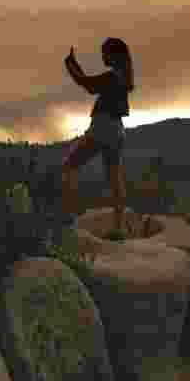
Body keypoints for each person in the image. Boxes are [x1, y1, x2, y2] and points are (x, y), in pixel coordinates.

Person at [60, 37, 135, 234]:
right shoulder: (123, 77)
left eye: (105, 52)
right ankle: (119, 229)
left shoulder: (112, 77)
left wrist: (71, 65)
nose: (102, 56)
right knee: (115, 180)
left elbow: (86, 85)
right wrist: (75, 66)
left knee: (69, 166)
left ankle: (70, 221)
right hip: (118, 130)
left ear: (113, 54)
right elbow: (89, 85)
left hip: (103, 127)